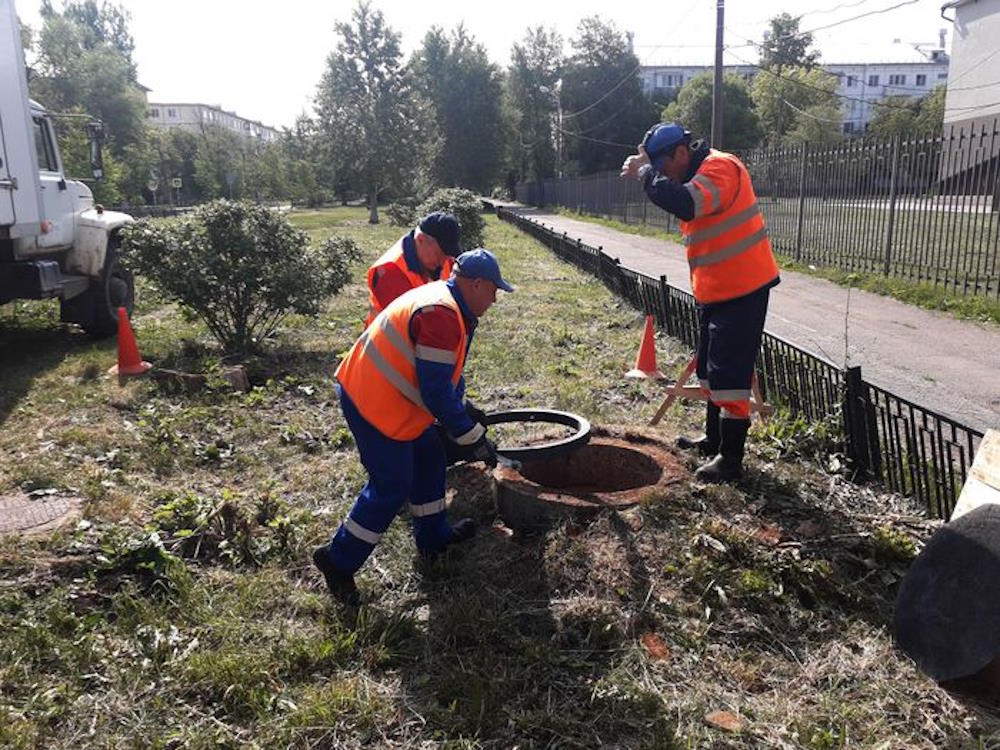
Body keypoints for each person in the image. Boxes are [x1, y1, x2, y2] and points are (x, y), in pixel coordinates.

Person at [313, 248, 515, 605]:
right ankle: (338, 561)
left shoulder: (450, 304)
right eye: (494, 290)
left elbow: (442, 375)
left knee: (429, 459)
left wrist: (465, 409)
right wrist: (474, 439)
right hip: (373, 400)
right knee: (392, 486)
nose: (496, 298)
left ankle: (434, 539)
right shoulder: (441, 313)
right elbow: (435, 391)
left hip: (395, 397)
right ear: (476, 284)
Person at [620, 122, 780, 482]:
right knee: (710, 370)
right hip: (717, 290)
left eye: (664, 167)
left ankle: (731, 459)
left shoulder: (720, 168)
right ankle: (713, 439)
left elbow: (685, 204)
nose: (664, 176)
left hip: (743, 288)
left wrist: (645, 172)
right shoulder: (697, 171)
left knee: (731, 375)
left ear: (680, 153)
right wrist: (649, 166)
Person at [365, 211, 462, 326]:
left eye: (447, 255)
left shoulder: (444, 259)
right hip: (390, 342)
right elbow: (411, 324)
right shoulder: (390, 270)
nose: (443, 261)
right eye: (439, 254)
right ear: (421, 239)